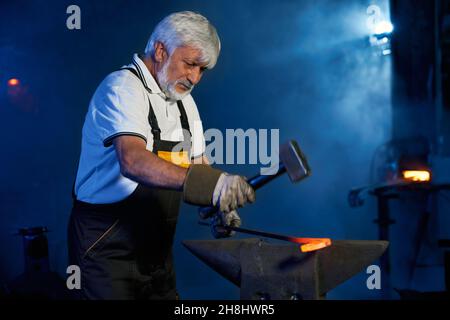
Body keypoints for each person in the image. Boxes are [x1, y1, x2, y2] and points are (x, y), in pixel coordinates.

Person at [68, 11, 255, 300]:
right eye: (190, 64)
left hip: (156, 254)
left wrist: (220, 203)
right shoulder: (122, 88)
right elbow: (132, 161)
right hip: (105, 251)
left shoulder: (185, 104)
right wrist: (212, 185)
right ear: (160, 50)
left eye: (202, 70)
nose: (194, 77)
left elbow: (198, 166)